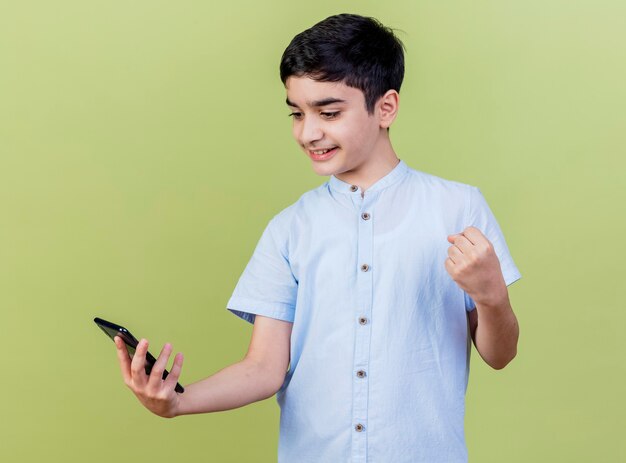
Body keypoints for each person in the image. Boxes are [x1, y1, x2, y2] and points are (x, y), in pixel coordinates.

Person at [113, 13, 521, 463]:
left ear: (386, 107)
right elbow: (264, 368)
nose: (309, 132)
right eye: (296, 113)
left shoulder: (457, 209)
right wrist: (177, 402)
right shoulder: (290, 228)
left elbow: (499, 355)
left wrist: (492, 296)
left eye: (328, 112)